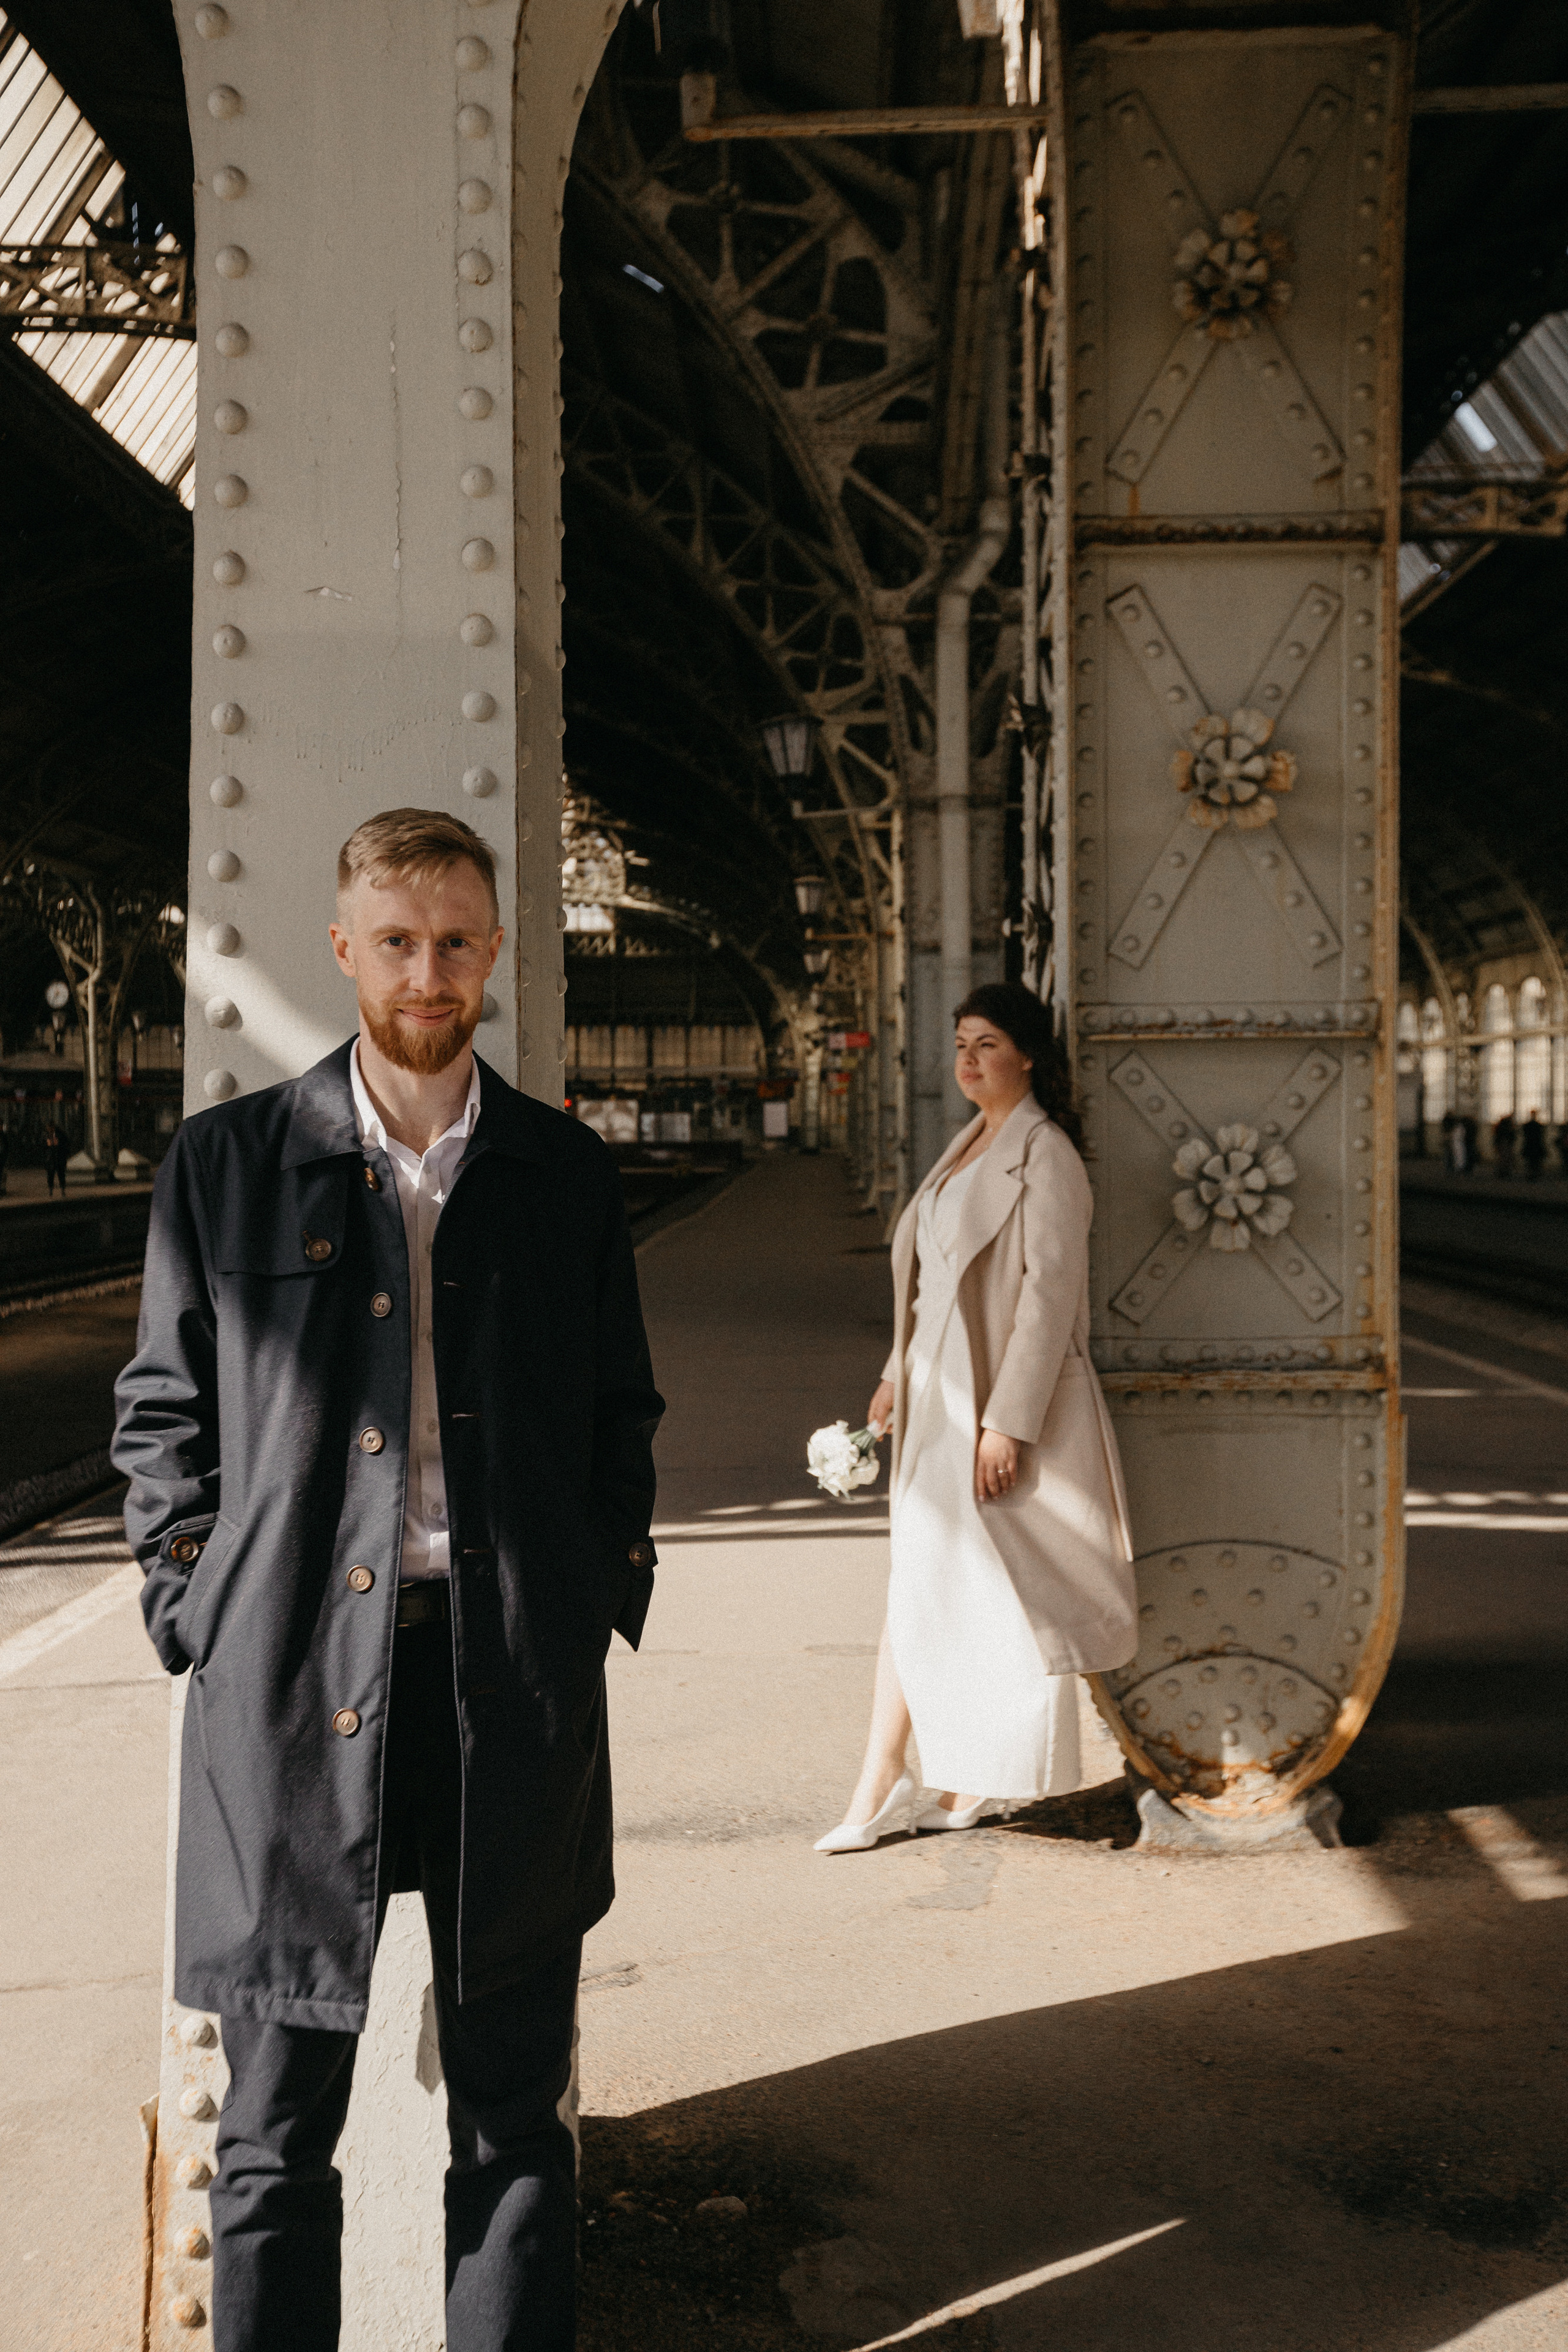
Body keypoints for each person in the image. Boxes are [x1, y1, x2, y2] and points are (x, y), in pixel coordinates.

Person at [113, 809, 664, 2352]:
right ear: (345, 945)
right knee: (276, 2132)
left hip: (506, 1681)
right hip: (288, 1691)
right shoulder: (225, 1165)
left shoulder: (561, 1174)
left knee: (514, 2117)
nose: (429, 969)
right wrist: (193, 1601)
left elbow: (622, 1408)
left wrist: (590, 1588)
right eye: (398, 938)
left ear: (495, 951)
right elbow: (162, 1416)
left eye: (458, 939)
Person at [815, 981, 1136, 1850]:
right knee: (932, 1588)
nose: (967, 1059)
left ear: (1028, 1055)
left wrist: (1010, 1422)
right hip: (935, 1395)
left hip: (989, 1399)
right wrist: (894, 1373)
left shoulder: (1046, 1154)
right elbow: (930, 1283)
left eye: (987, 1043)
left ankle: (887, 1783)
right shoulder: (965, 1147)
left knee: (953, 1590)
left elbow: (1047, 1299)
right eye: (960, 1042)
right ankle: (952, 1781)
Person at [1521, 1109, 1547, 1180]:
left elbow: (1525, 1135)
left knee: (1531, 1162)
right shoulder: (1538, 1126)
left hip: (1530, 1145)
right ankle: (1535, 1175)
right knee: (1536, 1162)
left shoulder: (1528, 1126)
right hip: (1536, 1145)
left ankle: (1531, 1175)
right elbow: (1542, 1136)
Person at [42, 1121, 66, 1196]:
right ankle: (51, 1190)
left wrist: (58, 1144)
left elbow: (65, 1144)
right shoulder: (46, 1135)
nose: (49, 1130)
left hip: (58, 1157)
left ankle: (63, 1189)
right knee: (50, 1175)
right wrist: (47, 1145)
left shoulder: (60, 1134)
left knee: (61, 1174)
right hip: (50, 1158)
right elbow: (42, 1147)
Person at [1493, 1110, 1517, 1177]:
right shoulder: (1508, 1129)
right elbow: (1513, 1137)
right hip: (1505, 1145)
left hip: (1502, 1145)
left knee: (1502, 1159)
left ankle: (1502, 1171)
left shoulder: (1500, 1128)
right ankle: (1505, 1171)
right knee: (1506, 1159)